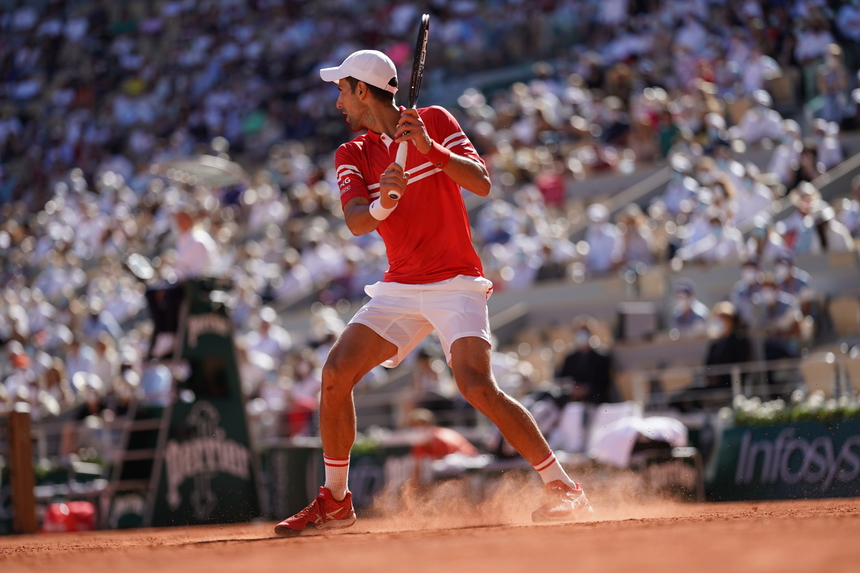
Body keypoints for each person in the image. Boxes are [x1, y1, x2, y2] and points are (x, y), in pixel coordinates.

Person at [274, 50, 592, 537]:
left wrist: (431, 150)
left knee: (475, 385)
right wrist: (383, 202)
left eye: (342, 89)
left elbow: (482, 183)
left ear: (363, 89)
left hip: (456, 281)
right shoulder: (351, 154)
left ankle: (564, 488)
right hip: (400, 287)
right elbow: (357, 221)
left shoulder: (435, 121)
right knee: (336, 374)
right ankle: (335, 502)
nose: (338, 101)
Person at [554, 316, 612, 405]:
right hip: (573, 401)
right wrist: (573, 388)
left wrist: (587, 389)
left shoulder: (602, 357)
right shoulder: (570, 357)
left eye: (584, 332)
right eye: (578, 333)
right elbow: (562, 378)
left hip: (595, 401)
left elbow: (605, 383)